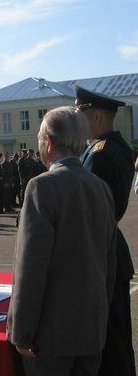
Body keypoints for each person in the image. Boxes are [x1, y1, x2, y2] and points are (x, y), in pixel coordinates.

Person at [8, 106, 117, 375]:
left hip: (52, 337)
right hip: (92, 331)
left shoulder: (42, 186)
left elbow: (32, 268)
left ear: (49, 142)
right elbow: (109, 265)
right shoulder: (101, 187)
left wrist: (21, 332)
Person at [75, 84, 136, 376]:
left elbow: (95, 211)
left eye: (81, 112)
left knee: (110, 339)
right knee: (115, 335)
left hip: (101, 253)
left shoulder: (101, 153)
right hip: (108, 249)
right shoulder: (109, 148)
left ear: (96, 116)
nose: (78, 117)